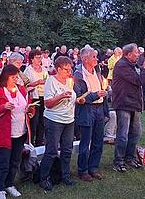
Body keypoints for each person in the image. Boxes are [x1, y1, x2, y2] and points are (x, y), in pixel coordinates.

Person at [0, 65, 30, 199]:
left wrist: (30, 110)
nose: (15, 80)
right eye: (13, 77)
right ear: (5, 77)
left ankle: (9, 184)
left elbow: (27, 106)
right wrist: (3, 107)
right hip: (5, 133)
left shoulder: (22, 90)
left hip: (20, 131)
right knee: (3, 161)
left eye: (16, 77)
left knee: (16, 160)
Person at [38, 56, 77, 191]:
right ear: (58, 69)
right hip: (54, 120)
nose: (69, 72)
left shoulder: (69, 81)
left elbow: (72, 98)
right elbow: (48, 104)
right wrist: (61, 96)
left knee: (67, 149)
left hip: (69, 120)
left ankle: (65, 176)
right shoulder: (51, 81)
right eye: (66, 69)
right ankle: (43, 177)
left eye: (70, 69)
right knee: (52, 150)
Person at [111, 43, 145, 172]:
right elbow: (139, 81)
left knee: (136, 133)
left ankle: (130, 158)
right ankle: (118, 161)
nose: (138, 55)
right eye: (136, 52)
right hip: (124, 103)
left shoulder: (132, 65)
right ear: (128, 54)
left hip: (133, 103)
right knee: (123, 134)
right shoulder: (122, 65)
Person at [73, 47, 109, 182]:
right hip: (86, 110)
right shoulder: (78, 75)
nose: (96, 59)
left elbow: (102, 88)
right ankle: (83, 170)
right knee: (85, 141)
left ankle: (93, 167)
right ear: (84, 59)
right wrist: (95, 95)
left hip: (99, 108)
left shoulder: (97, 72)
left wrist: (105, 92)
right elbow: (79, 98)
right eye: (93, 57)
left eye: (96, 56)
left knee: (98, 140)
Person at [23, 49, 48, 146]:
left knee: (42, 120)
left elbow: (47, 80)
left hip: (44, 97)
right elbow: (25, 85)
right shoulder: (28, 70)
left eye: (40, 57)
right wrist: (37, 83)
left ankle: (39, 141)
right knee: (34, 121)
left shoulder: (44, 69)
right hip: (34, 97)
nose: (39, 59)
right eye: (37, 57)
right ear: (32, 59)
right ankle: (30, 142)